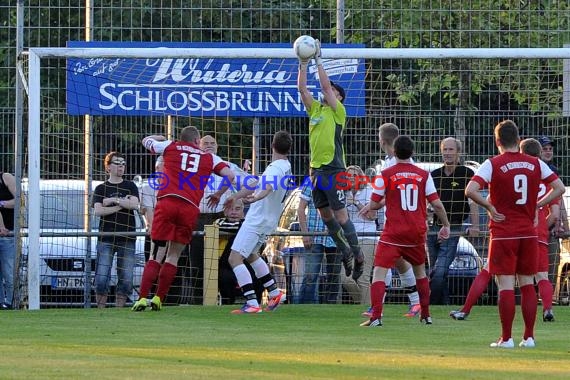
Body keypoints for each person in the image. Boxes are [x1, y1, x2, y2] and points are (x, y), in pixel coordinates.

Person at [464, 120, 564, 348]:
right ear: (518, 140)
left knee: (506, 284)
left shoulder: (492, 164)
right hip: (529, 232)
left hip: (503, 233)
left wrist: (490, 208)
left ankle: (506, 338)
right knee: (528, 283)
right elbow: (559, 188)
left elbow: (470, 190)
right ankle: (529, 337)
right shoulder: (535, 163)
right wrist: (538, 204)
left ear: (497, 141)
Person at [132, 126, 236, 311]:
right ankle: (158, 299)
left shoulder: (170, 146)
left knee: (156, 255)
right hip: (189, 208)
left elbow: (146, 140)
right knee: (174, 255)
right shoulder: (209, 158)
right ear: (197, 142)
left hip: (167, 203)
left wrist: (160, 137)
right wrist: (219, 194)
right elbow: (230, 175)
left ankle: (142, 298)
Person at [359, 135, 451, 327]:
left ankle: (376, 317)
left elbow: (375, 203)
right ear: (413, 152)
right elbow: (437, 204)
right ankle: (426, 314)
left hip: (393, 232)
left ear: (394, 151)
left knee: (379, 273)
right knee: (420, 273)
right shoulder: (423, 175)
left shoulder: (385, 174)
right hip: (416, 232)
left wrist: (383, 201)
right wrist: (446, 225)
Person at [297, 39, 365, 281]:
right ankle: (345, 250)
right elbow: (303, 90)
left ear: (340, 99)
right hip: (316, 172)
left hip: (334, 169)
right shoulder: (316, 110)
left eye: (335, 92)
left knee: (341, 216)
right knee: (326, 218)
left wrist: (318, 60)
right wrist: (303, 63)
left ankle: (358, 255)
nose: (329, 92)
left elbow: (325, 88)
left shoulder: (339, 112)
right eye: (330, 90)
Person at [216, 130, 292, 314]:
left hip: (257, 221)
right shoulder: (285, 166)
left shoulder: (275, 169)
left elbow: (265, 189)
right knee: (250, 254)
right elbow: (258, 184)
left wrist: (255, 198)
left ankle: (252, 303)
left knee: (234, 258)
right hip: (268, 220)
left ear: (271, 146)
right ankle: (274, 292)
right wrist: (235, 196)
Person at [362, 122, 422, 318]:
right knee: (398, 261)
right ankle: (416, 303)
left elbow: (393, 193)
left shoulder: (393, 164)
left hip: (397, 221)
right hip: (400, 220)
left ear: (382, 140)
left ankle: (378, 307)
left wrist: (373, 205)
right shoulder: (396, 162)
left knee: (384, 263)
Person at [427, 137, 480, 305]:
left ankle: (432, 305)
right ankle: (444, 304)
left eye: (451, 150)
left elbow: (473, 203)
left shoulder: (467, 174)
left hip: (454, 227)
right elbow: (425, 201)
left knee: (440, 270)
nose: (447, 153)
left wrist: (475, 225)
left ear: (458, 152)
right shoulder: (433, 175)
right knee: (433, 270)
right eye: (445, 149)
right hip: (432, 227)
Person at [92, 152, 140, 308]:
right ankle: (100, 310)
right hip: (106, 237)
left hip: (127, 237)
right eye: (117, 163)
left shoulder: (130, 186)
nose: (121, 166)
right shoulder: (101, 188)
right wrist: (121, 204)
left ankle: (119, 310)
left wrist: (113, 201)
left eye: (123, 163)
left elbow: (134, 204)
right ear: (108, 167)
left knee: (126, 278)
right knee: (101, 278)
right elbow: (98, 211)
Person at [297, 179, 341, 304]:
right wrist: (305, 233)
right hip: (314, 236)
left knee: (334, 276)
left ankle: (330, 309)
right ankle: (305, 308)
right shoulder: (310, 182)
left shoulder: (340, 182)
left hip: (335, 237)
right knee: (311, 275)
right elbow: (301, 209)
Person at [341, 165, 379, 305]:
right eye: (348, 175)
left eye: (354, 175)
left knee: (363, 278)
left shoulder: (369, 190)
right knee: (344, 277)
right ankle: (365, 304)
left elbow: (372, 216)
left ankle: (368, 310)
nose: (351, 178)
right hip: (349, 238)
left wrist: (356, 203)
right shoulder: (343, 192)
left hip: (367, 237)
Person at [216, 199, 264, 305]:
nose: (233, 212)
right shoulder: (219, 222)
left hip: (247, 263)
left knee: (257, 277)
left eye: (237, 209)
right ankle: (227, 303)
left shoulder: (249, 223)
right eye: (230, 209)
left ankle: (255, 302)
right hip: (225, 265)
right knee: (224, 279)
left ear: (243, 211)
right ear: (224, 211)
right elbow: (229, 227)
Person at [538, 135, 569, 284]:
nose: (548, 152)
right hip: (535, 225)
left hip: (548, 226)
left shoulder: (553, 171)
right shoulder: (532, 169)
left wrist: (564, 225)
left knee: (550, 268)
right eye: (544, 149)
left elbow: (559, 198)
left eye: (550, 149)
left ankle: (547, 303)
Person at [0, 172, 16, 310]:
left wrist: (1, 203)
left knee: (8, 272)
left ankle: (10, 302)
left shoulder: (6, 178)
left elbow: (20, 200)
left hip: (7, 235)